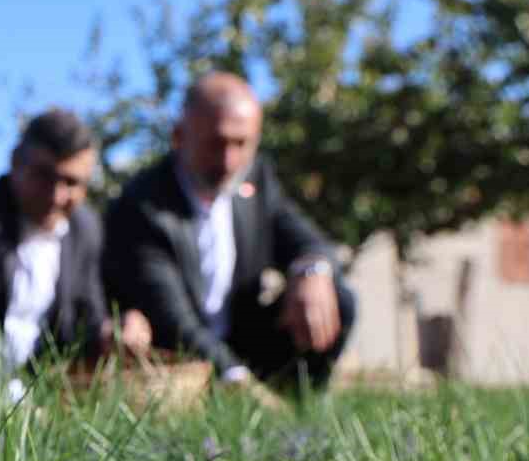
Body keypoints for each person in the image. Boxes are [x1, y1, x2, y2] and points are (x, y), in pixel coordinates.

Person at [103, 72, 357, 390]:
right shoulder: (142, 206)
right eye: (216, 143)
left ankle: (301, 405)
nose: (229, 160)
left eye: (242, 144)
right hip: (175, 363)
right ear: (180, 136)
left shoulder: (256, 181)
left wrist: (312, 270)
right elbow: (173, 320)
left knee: (337, 297)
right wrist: (235, 378)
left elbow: (304, 238)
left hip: (246, 340)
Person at [0, 108, 151, 397]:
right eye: (44, 176)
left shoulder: (84, 230)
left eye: (72, 183)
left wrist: (111, 332)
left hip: (40, 390)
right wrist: (9, 396)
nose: (56, 196)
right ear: (15, 163)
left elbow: (86, 317)